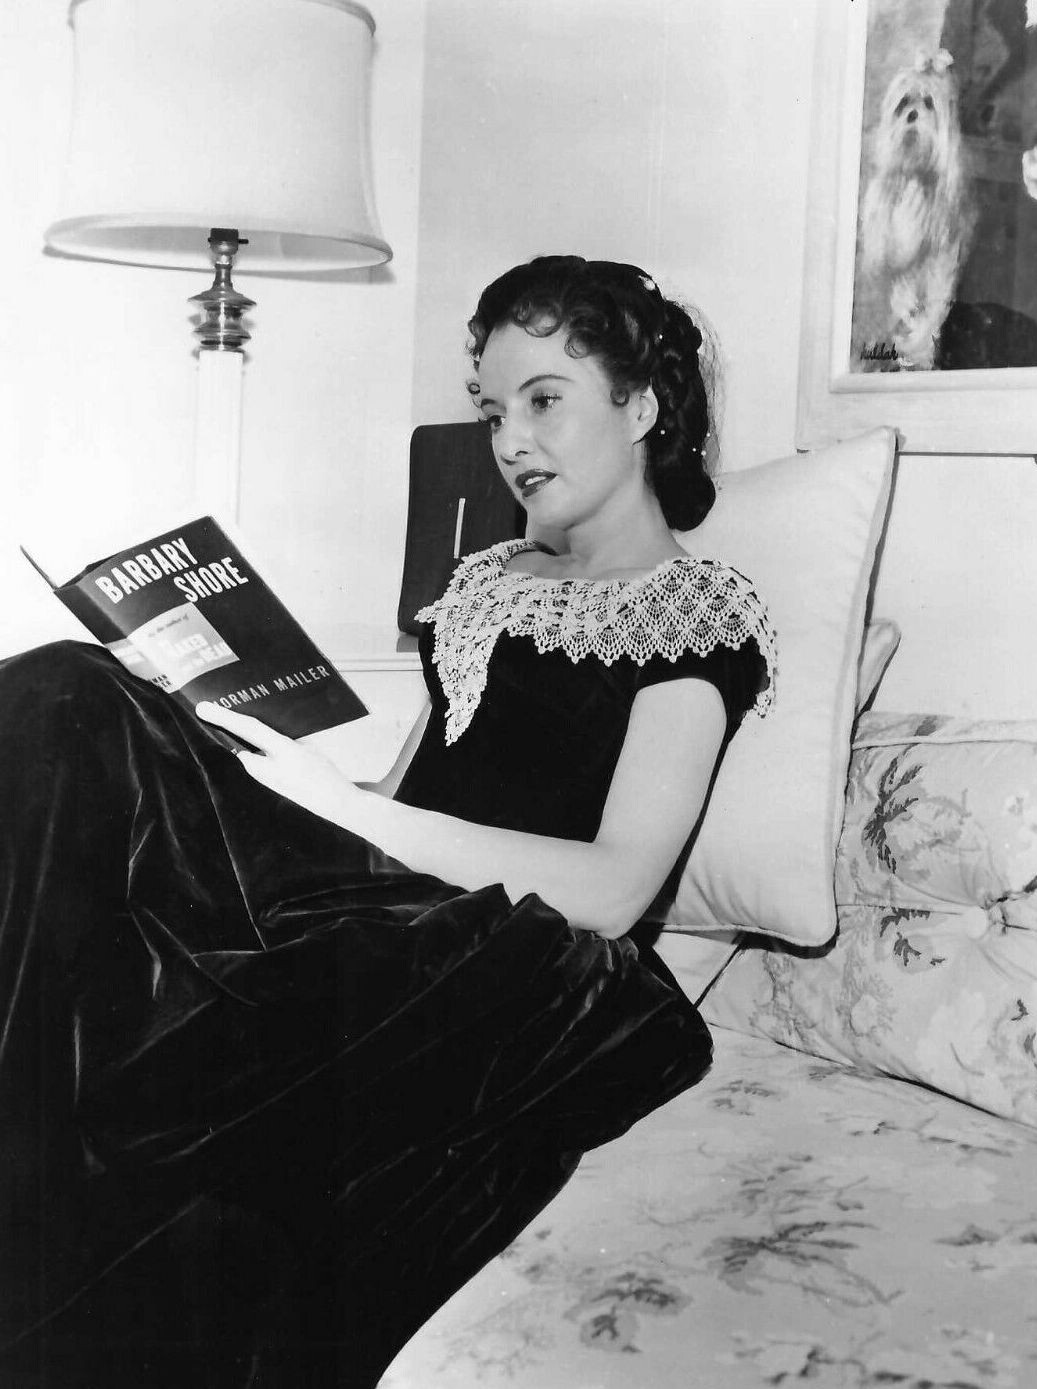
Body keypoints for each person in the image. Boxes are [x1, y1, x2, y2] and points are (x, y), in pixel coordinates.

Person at [0, 255, 775, 1387]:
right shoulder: (485, 584)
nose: (511, 440)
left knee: (70, 695)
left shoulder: (695, 611)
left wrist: (321, 809)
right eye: (493, 411)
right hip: (397, 900)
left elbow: (617, 886)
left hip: (530, 951)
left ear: (642, 408)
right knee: (78, 704)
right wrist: (260, 763)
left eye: (544, 400)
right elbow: (404, 802)